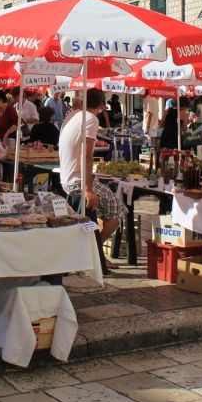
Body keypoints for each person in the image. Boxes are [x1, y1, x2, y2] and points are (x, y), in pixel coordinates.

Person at [59, 89, 126, 273]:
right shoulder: (91, 118)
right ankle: (93, 252)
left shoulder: (73, 114)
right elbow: (88, 155)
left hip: (66, 178)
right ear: (102, 106)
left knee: (105, 205)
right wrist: (88, 189)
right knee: (117, 209)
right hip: (78, 180)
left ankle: (94, 252)